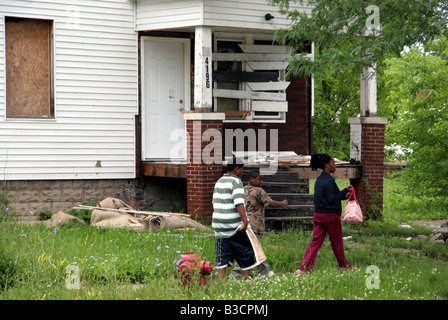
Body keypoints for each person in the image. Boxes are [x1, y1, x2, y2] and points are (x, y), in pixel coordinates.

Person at [296, 154, 353, 275]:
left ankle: (303, 268)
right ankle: (343, 266)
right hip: (330, 217)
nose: (334, 165)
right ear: (327, 165)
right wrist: (344, 191)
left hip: (318, 215)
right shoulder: (329, 180)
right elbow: (332, 199)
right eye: (333, 162)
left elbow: (326, 198)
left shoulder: (319, 180)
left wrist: (343, 196)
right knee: (337, 243)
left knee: (315, 243)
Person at [230, 169, 289, 278]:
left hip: (242, 223)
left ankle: (257, 272)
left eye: (262, 180)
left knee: (250, 248)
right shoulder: (259, 191)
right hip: (255, 224)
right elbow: (270, 203)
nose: (261, 182)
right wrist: (282, 203)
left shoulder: (242, 190)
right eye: (259, 179)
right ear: (251, 179)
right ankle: (241, 273)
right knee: (254, 249)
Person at [212, 157, 255, 280]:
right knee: (245, 253)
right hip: (234, 226)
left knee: (222, 256)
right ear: (237, 169)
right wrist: (245, 221)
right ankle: (246, 280)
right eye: (242, 169)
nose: (242, 172)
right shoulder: (236, 181)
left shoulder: (219, 181)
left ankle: (221, 282)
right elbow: (238, 203)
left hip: (219, 226)